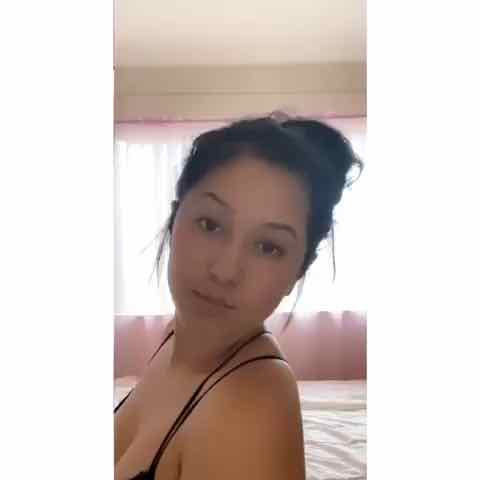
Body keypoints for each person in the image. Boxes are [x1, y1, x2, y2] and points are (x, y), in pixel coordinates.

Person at [114, 113, 363, 480]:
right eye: (210, 224)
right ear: (174, 218)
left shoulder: (252, 406)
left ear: (297, 272)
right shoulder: (175, 339)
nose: (226, 271)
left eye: (268, 247)